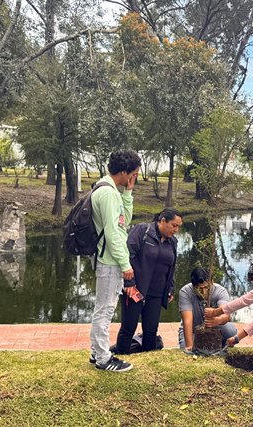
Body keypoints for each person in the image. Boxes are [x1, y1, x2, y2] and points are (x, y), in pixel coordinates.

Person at [89, 150, 141, 373]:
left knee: (102, 308)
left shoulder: (109, 189)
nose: (134, 178)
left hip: (108, 259)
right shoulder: (108, 194)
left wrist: (128, 193)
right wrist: (125, 264)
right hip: (110, 261)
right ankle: (103, 359)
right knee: (105, 310)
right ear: (124, 172)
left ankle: (96, 352)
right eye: (133, 174)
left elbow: (124, 222)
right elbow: (113, 234)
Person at [115, 208, 183, 355]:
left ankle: (149, 358)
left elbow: (171, 266)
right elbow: (127, 255)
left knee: (151, 329)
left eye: (178, 226)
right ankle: (121, 355)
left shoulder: (172, 242)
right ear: (162, 221)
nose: (176, 230)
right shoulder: (142, 231)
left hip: (157, 293)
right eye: (174, 225)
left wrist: (170, 287)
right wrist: (129, 283)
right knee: (128, 327)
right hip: (135, 289)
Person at [178, 267, 237, 352]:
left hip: (215, 328)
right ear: (193, 286)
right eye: (200, 289)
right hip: (193, 330)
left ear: (211, 282)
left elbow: (226, 315)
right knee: (187, 347)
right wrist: (189, 346)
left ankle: (221, 347)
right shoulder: (185, 292)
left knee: (230, 331)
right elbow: (187, 321)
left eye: (206, 287)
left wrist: (217, 320)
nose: (204, 292)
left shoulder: (221, 291)